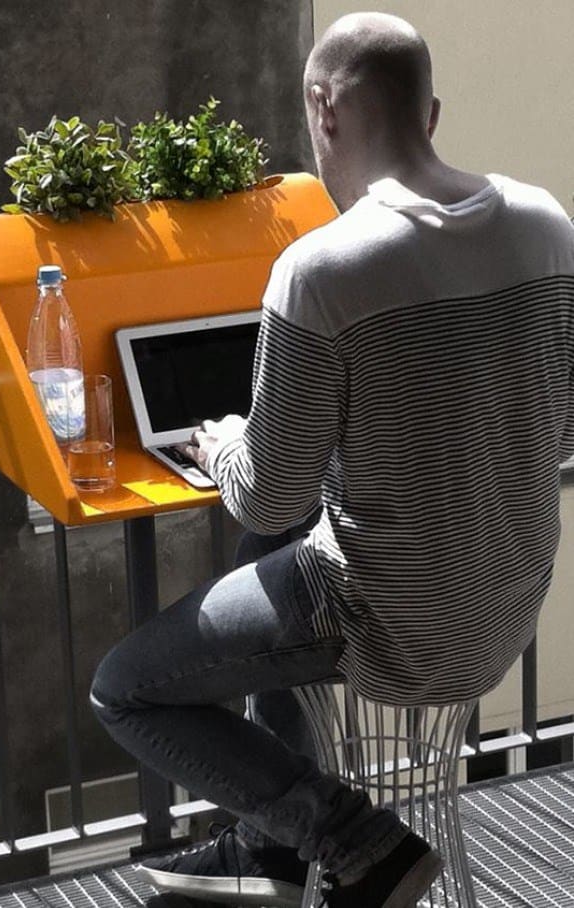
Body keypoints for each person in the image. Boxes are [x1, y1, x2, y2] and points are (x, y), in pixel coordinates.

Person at [91, 11, 574, 908]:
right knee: (262, 564)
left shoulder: (321, 269)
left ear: (323, 106)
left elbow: (264, 492)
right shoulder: (547, 226)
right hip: (504, 603)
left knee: (125, 688)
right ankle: (271, 847)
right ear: (430, 115)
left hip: (388, 619)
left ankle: (357, 844)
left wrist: (225, 439)